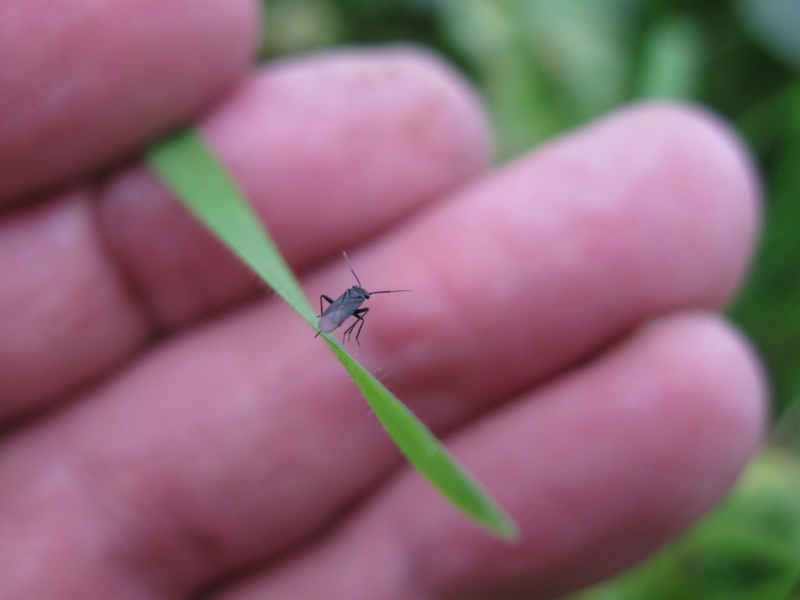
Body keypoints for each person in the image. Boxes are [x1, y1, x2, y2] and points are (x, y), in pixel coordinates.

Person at [0, 2, 765, 598]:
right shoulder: (346, 302)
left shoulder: (350, 305)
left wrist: (342, 317)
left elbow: (349, 308)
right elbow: (346, 306)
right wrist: (340, 317)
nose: (346, 304)